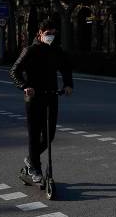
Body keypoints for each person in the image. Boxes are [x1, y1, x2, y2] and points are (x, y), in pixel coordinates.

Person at [9, 19, 73, 183]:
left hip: (51, 95)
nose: (50, 36)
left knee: (49, 135)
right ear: (40, 34)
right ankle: (35, 168)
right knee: (34, 134)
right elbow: (14, 71)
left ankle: (30, 160)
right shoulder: (30, 50)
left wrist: (67, 85)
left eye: (53, 33)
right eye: (47, 33)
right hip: (33, 97)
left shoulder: (57, 51)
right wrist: (24, 86)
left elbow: (65, 68)